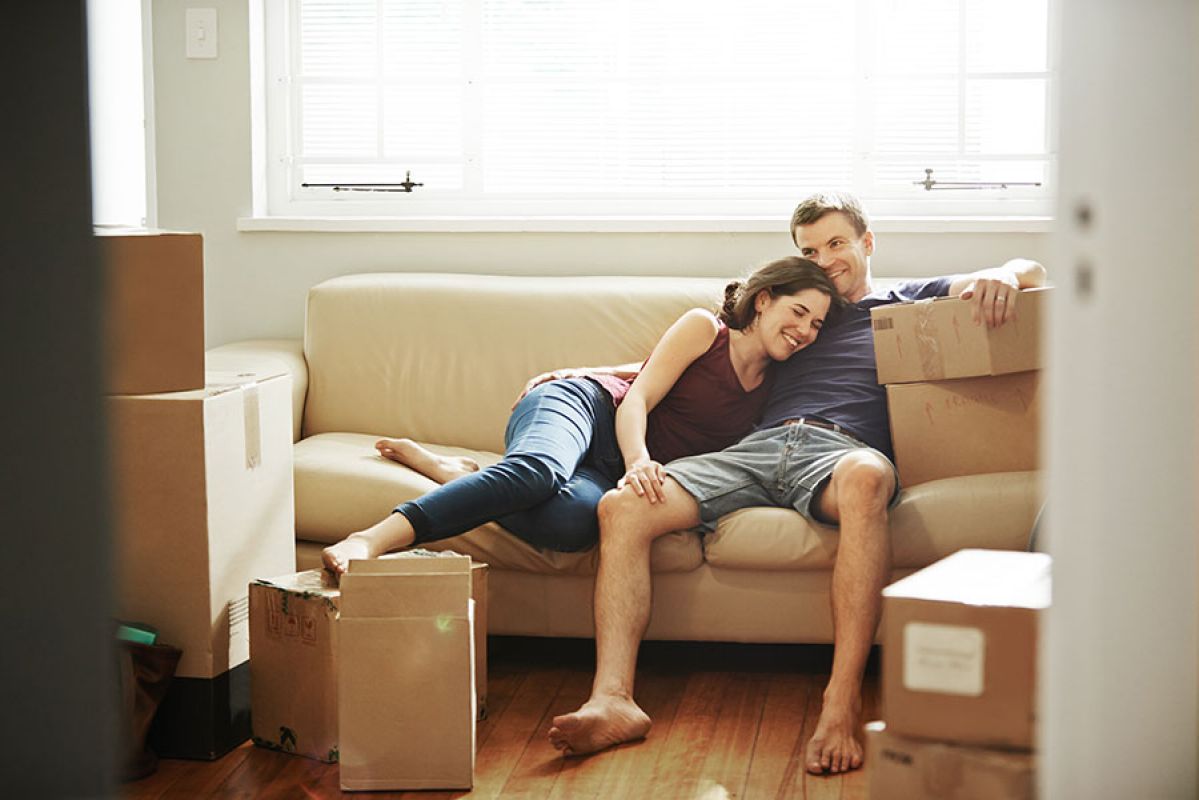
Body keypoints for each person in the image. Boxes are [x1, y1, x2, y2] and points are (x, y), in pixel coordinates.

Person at [547, 192, 1047, 774]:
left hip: (842, 453)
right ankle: (613, 698)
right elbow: (702, 355)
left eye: (837, 243)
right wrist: (585, 376)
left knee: (866, 480)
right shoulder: (797, 314)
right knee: (623, 506)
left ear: (867, 242)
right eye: (811, 249)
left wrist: (1004, 273)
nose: (826, 259)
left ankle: (839, 704)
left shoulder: (905, 302)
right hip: (757, 449)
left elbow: (1033, 271)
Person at [321, 257, 841, 573]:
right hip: (587, 407)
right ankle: (374, 537)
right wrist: (639, 460)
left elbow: (644, 368)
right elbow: (636, 394)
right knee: (536, 471)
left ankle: (459, 475)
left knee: (572, 525)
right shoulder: (706, 328)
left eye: (816, 325)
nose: (805, 331)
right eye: (798, 312)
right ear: (765, 299)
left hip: (605, 469)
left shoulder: (778, 385)